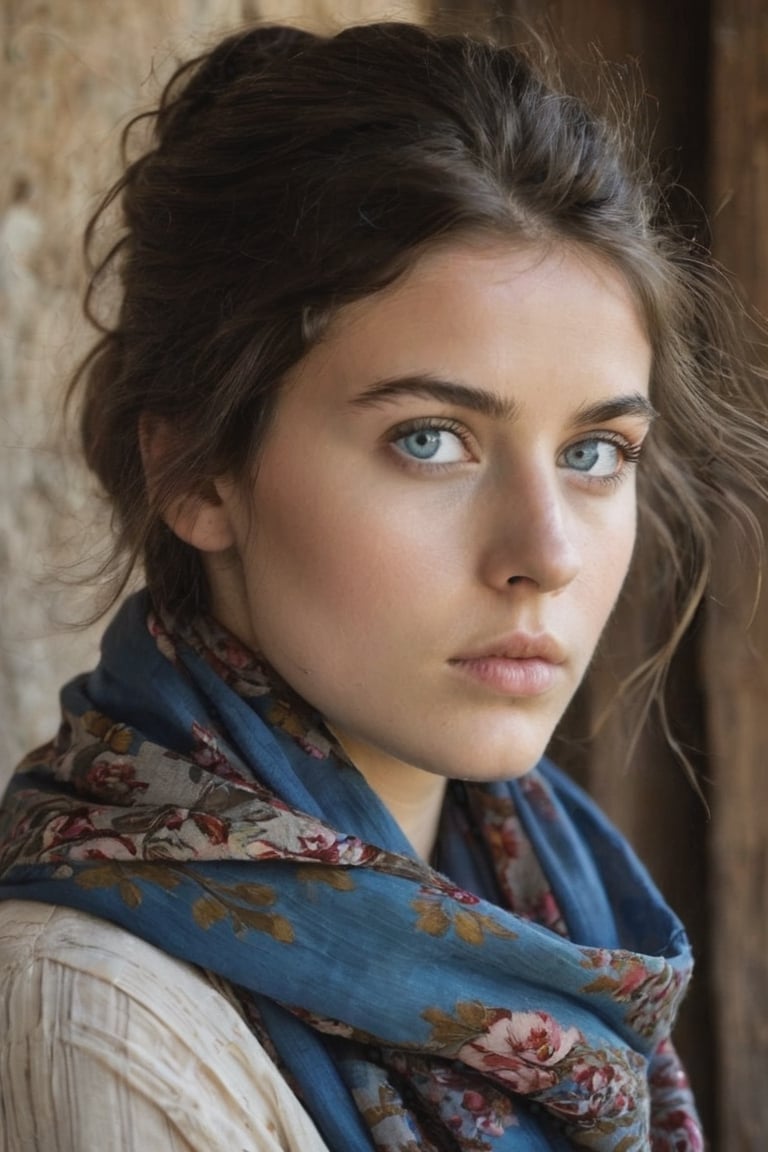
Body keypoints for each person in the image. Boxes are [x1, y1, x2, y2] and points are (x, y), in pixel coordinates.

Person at [0, 19, 763, 1152]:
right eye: (429, 441)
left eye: (594, 452)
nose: (546, 552)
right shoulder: (98, 1020)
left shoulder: (556, 911)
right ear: (198, 471)